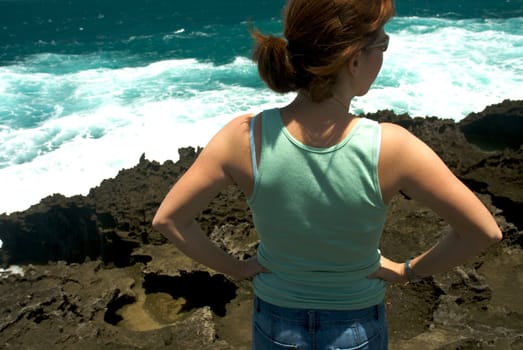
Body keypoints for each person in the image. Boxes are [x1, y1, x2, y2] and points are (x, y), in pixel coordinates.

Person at [152, 0, 503, 348]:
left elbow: (169, 220)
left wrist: (236, 268)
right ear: (352, 60)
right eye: (383, 44)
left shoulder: (244, 137)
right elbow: (482, 231)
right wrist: (405, 271)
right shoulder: (392, 147)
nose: (383, 55)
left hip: (276, 323)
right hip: (356, 326)